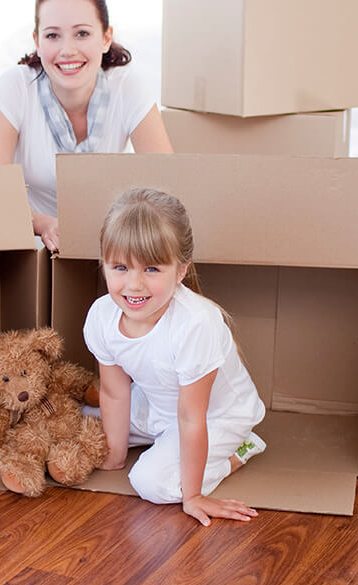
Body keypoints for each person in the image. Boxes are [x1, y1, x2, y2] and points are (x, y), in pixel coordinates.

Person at [83, 188, 266, 527]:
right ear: (104, 264)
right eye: (120, 267)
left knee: (150, 483)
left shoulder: (195, 323)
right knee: (82, 425)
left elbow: (191, 416)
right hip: (156, 403)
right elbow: (114, 392)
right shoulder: (102, 316)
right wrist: (114, 456)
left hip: (214, 417)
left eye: (151, 269)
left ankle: (242, 449)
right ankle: (152, 444)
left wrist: (193, 495)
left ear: (181, 271)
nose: (134, 285)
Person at [0, 0, 173, 253]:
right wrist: (42, 223)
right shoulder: (17, 85)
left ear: (106, 38)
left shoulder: (127, 86)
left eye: (82, 33)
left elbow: (167, 189)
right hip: (30, 245)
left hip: (108, 245)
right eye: (53, 35)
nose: (67, 50)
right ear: (37, 41)